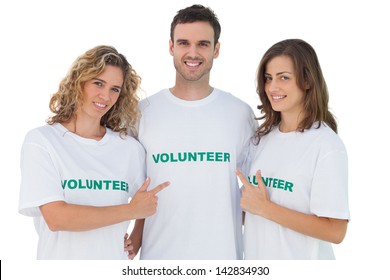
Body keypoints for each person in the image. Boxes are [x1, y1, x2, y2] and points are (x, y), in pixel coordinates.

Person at [127, 4, 258, 260]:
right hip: (160, 261)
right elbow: (143, 192)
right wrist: (135, 237)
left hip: (223, 261)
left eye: (203, 44)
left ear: (216, 49)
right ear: (171, 47)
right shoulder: (142, 113)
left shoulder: (240, 113)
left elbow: (254, 192)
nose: (193, 52)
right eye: (184, 43)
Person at [18, 45, 169, 260]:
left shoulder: (128, 149)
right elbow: (56, 217)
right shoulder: (43, 141)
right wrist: (130, 211)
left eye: (114, 89)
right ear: (78, 82)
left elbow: (148, 202)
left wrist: (135, 239)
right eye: (98, 83)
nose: (105, 96)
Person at [236, 39, 350, 259]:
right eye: (268, 78)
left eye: (284, 78)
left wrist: (265, 208)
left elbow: (335, 231)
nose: (273, 87)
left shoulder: (326, 145)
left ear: (307, 81)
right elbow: (250, 208)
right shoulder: (260, 139)